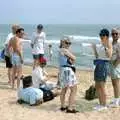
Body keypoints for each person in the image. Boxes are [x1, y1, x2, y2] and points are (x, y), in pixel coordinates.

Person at [92, 29, 112, 111]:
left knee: (102, 86)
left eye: (103, 35)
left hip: (104, 65)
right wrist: (94, 49)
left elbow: (109, 56)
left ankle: (104, 105)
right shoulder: (101, 44)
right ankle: (101, 104)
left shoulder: (108, 44)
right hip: (98, 64)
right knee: (97, 85)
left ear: (107, 36)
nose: (101, 36)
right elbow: (97, 56)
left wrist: (106, 48)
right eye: (100, 35)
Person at [59, 37, 78, 113]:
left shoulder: (61, 50)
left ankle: (63, 106)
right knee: (74, 89)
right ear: (62, 42)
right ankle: (70, 108)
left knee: (64, 89)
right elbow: (74, 58)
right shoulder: (64, 50)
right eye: (67, 42)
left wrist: (71, 58)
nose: (68, 44)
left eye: (69, 43)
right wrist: (71, 57)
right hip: (68, 71)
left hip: (63, 70)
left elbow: (72, 61)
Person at [109, 28, 120, 107]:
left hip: (115, 65)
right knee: (115, 83)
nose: (115, 35)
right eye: (113, 34)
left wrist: (115, 65)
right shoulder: (112, 43)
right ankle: (117, 99)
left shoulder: (118, 44)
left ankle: (116, 101)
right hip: (111, 64)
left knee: (115, 83)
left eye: (116, 33)